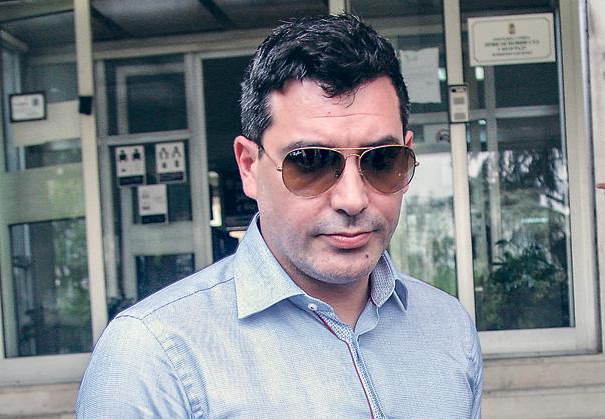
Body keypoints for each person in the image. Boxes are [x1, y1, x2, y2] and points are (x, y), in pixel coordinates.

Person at [76, 14, 482, 418]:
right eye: (310, 162)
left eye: (382, 160)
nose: (353, 198)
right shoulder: (153, 356)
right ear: (249, 167)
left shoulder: (448, 328)